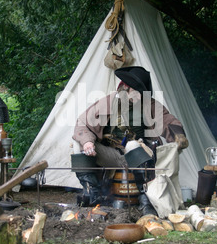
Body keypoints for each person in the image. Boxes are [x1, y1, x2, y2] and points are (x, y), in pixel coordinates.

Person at [72, 66, 189, 215]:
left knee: (133, 144)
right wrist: (87, 142)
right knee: (78, 142)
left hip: (138, 155)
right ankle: (91, 193)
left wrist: (178, 135)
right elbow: (82, 124)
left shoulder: (148, 104)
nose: (140, 96)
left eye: (142, 92)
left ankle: (145, 201)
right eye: (136, 91)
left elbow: (167, 120)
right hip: (112, 156)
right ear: (126, 87)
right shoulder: (108, 102)